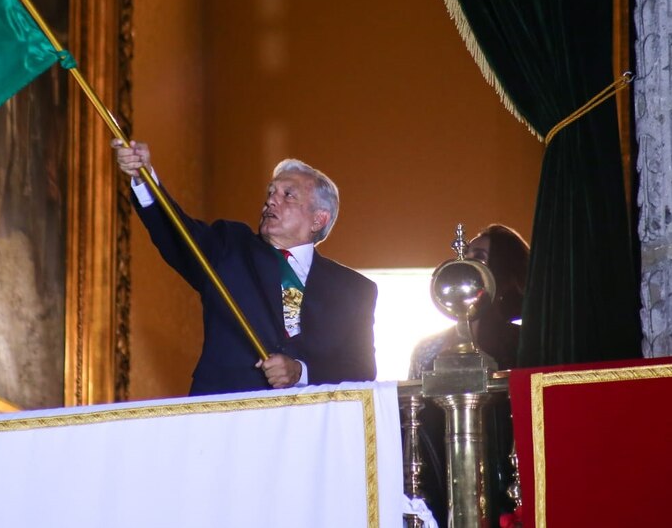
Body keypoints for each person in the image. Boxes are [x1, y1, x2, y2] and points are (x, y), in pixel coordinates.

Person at [113, 140, 377, 396]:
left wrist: (300, 371)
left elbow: (361, 370)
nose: (271, 201)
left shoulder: (354, 290)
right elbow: (178, 234)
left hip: (311, 427)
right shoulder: (230, 246)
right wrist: (144, 179)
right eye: (271, 193)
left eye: (288, 195)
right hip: (226, 419)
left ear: (319, 219)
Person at [407, 223, 529, 528]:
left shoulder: (525, 343)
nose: (466, 262)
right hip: (443, 477)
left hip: (509, 473)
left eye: (480, 256)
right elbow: (416, 421)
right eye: (465, 254)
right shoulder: (428, 348)